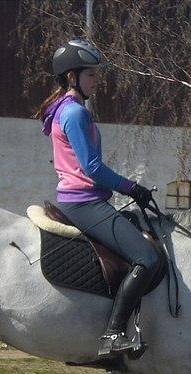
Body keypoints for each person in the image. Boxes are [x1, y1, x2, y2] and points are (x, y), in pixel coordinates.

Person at [38, 39, 158, 357]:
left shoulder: (62, 109)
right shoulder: (75, 113)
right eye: (91, 75)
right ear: (71, 77)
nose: (97, 80)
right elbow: (92, 168)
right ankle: (113, 334)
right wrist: (133, 188)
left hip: (79, 199)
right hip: (83, 202)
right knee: (147, 258)